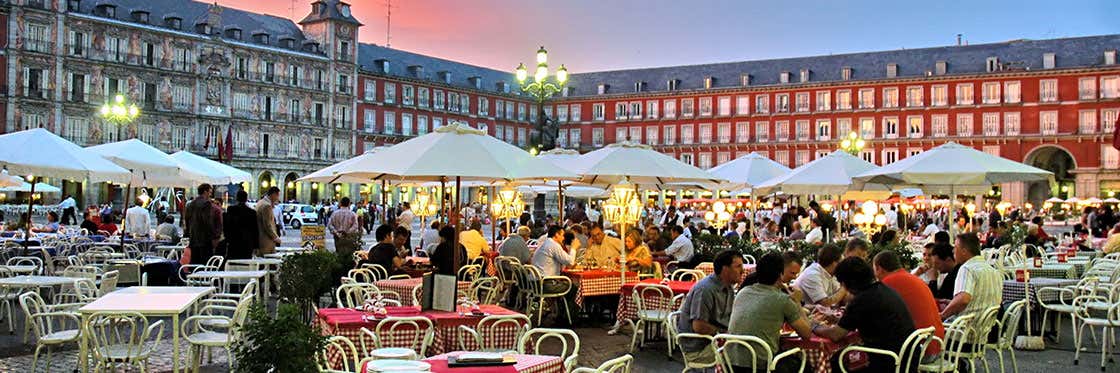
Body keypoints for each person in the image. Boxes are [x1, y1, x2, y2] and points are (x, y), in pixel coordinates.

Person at [813, 258, 916, 373]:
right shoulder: (884, 289)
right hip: (908, 358)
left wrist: (814, 327)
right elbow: (861, 320)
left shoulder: (861, 300)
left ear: (846, 283)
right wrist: (836, 319)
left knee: (837, 361)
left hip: (887, 361)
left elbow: (836, 335)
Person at [727, 252, 812, 373]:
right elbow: (807, 333)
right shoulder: (782, 299)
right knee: (804, 363)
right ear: (780, 274)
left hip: (730, 362)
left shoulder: (743, 292)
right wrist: (797, 302)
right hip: (761, 364)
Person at [675, 250, 744, 366]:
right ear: (725, 269)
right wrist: (723, 333)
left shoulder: (729, 288)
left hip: (713, 342)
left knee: (750, 347)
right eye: (738, 266)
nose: (742, 271)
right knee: (746, 353)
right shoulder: (705, 290)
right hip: (698, 349)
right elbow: (699, 327)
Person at [873, 251, 945, 358]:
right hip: (937, 344)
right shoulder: (911, 278)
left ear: (879, 268)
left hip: (919, 351)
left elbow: (873, 314)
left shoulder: (887, 283)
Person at [941, 233, 1003, 320]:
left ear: (964, 251)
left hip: (966, 328)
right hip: (988, 327)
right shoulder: (993, 271)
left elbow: (963, 299)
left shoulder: (967, 268)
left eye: (955, 247)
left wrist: (943, 315)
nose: (953, 251)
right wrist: (952, 303)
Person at [184, 183, 223, 265]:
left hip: (193, 239)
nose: (210, 194)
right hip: (204, 240)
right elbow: (207, 221)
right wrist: (214, 236)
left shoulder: (191, 204)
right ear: (205, 192)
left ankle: (194, 278)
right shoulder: (207, 204)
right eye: (210, 192)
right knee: (205, 264)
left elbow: (187, 221)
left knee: (194, 263)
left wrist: (188, 233)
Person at [222, 190, 259, 260]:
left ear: (237, 198)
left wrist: (227, 239)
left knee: (233, 263)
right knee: (245, 263)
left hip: (234, 241)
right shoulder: (252, 212)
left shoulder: (231, 210)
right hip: (247, 243)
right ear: (246, 199)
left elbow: (227, 226)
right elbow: (255, 230)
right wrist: (256, 246)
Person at [255, 187, 282, 256]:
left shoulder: (261, 202)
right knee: (269, 263)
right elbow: (267, 224)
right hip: (266, 241)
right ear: (273, 194)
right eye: (278, 195)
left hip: (260, 239)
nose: (278, 198)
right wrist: (275, 237)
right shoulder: (266, 205)